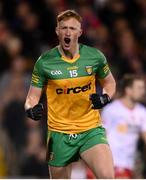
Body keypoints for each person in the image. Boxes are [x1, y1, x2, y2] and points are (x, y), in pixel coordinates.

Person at [25, 9, 116, 179]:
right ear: (57, 31)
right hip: (59, 133)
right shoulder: (44, 62)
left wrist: (105, 97)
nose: (68, 32)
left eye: (73, 28)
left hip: (90, 129)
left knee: (107, 176)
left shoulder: (95, 57)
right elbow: (32, 97)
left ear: (80, 32)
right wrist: (31, 109)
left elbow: (110, 83)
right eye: (64, 28)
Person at [102, 74, 146, 178]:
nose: (143, 91)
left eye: (143, 88)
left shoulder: (142, 112)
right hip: (112, 161)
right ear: (128, 90)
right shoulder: (112, 110)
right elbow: (101, 135)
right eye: (139, 88)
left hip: (129, 164)